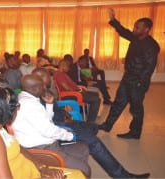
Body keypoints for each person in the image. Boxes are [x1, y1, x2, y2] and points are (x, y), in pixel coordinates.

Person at [32, 67, 151, 178]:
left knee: (94, 127)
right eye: (48, 76)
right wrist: (67, 130)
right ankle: (123, 175)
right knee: (94, 142)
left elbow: (53, 109)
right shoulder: (34, 101)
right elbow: (47, 126)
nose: (51, 77)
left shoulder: (44, 91)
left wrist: (64, 113)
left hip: (63, 122)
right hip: (59, 130)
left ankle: (86, 144)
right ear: (40, 79)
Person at [0, 87, 64, 178]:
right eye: (17, 106)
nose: (18, 109)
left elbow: (19, 148)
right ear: (7, 111)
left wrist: (42, 168)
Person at [12, 74, 91, 177]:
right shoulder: (30, 105)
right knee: (85, 170)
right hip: (42, 148)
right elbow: (48, 131)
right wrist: (69, 135)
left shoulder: (28, 98)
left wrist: (49, 105)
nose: (45, 88)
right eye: (42, 86)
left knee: (83, 149)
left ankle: (72, 172)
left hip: (48, 143)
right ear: (34, 88)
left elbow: (46, 122)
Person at [99, 8, 160, 139]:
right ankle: (107, 125)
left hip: (138, 82)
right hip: (128, 78)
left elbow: (149, 68)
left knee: (136, 109)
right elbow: (123, 31)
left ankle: (135, 132)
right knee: (118, 102)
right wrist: (113, 20)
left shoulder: (151, 45)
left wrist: (140, 84)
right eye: (134, 26)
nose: (134, 29)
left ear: (146, 29)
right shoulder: (136, 38)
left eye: (137, 27)